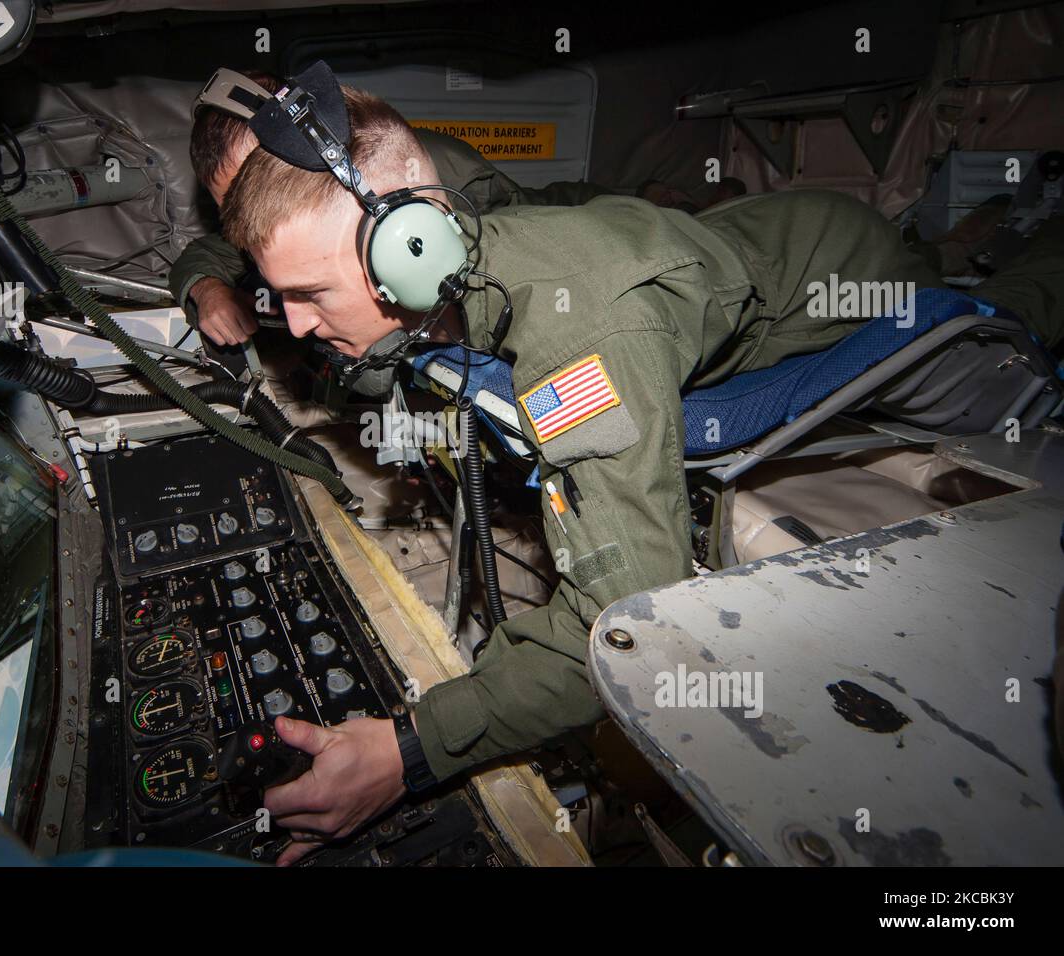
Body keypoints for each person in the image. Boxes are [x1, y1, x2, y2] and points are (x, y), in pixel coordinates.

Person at [216, 79, 1064, 866]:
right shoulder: (442, 263)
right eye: (279, 295)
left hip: (843, 266)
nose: (290, 323)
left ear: (413, 247)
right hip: (753, 236)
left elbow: (627, 621)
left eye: (311, 294)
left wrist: (409, 750)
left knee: (1011, 305)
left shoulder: (589, 335)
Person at [171, 72, 612, 347]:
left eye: (255, 185)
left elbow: (530, 225)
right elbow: (208, 252)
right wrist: (208, 288)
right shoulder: (273, 221)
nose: (250, 214)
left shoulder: (433, 183)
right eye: (233, 207)